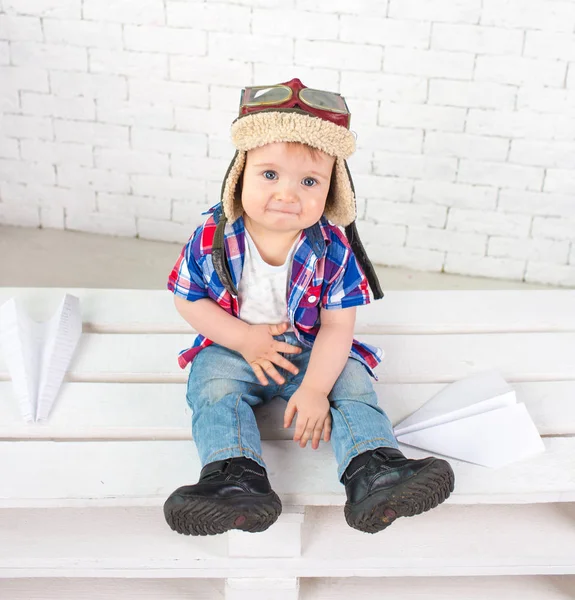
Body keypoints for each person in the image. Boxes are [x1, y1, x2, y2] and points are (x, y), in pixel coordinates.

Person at [163, 78, 454, 536]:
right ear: (239, 175)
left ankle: (374, 469)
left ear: (332, 191)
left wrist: (316, 388)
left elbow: (338, 327)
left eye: (309, 181)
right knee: (212, 386)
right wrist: (242, 339)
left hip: (308, 349)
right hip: (234, 348)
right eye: (270, 174)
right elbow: (188, 297)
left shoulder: (332, 248)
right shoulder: (214, 237)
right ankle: (235, 478)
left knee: (352, 381)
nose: (287, 194)